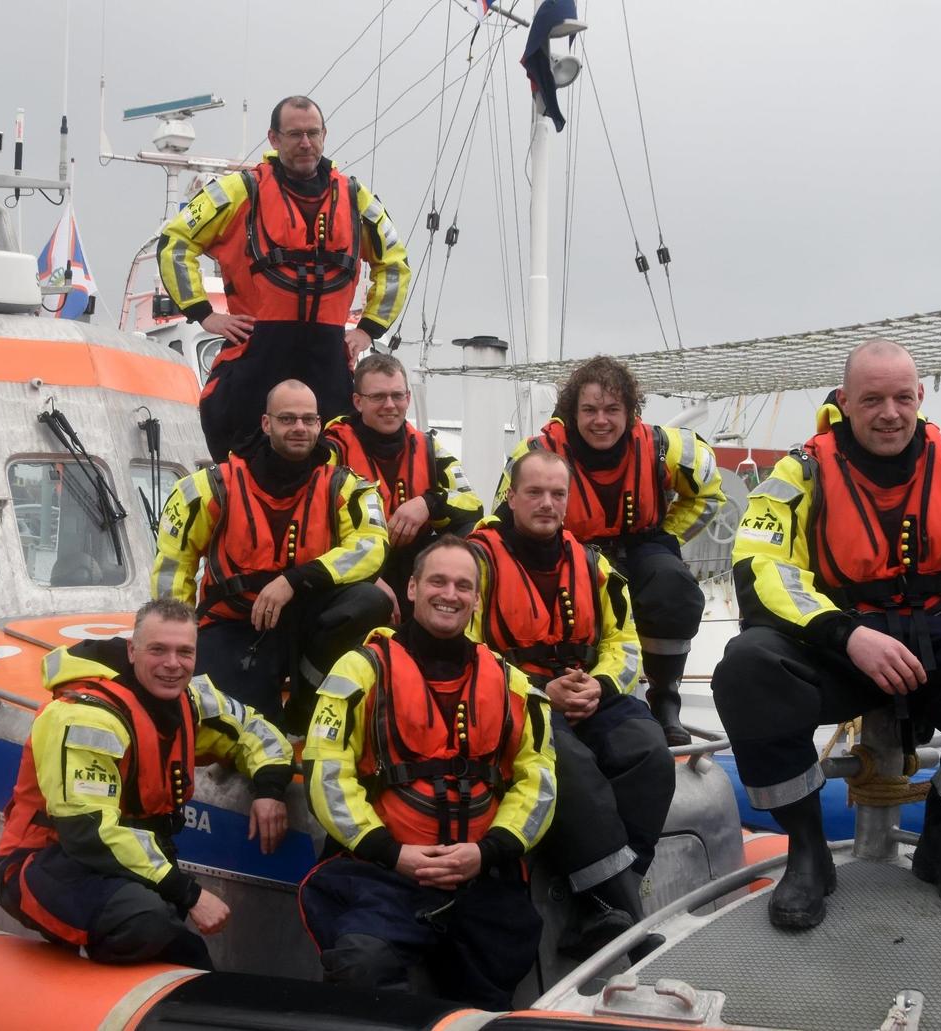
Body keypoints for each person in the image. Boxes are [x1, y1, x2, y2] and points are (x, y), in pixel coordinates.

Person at [712, 339, 941, 929]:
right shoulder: (801, 472)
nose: (889, 413)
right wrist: (845, 635)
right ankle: (808, 852)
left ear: (920, 397)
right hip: (843, 644)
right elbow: (758, 562)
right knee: (747, 665)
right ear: (845, 401)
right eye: (872, 399)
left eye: (902, 398)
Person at [299, 536, 556, 1010]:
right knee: (362, 962)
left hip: (481, 876)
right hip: (384, 874)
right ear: (412, 588)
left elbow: (538, 781)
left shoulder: (513, 684)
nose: (450, 594)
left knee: (496, 974)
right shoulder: (359, 671)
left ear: (477, 599)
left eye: (464, 585)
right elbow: (327, 773)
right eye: (437, 580)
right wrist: (393, 853)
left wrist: (488, 852)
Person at [0, 598, 293, 969]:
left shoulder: (190, 700)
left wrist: (269, 790)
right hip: (47, 862)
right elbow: (89, 833)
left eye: (185, 652)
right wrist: (190, 894)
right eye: (158, 650)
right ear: (132, 651)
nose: (172, 664)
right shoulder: (86, 717)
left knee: (176, 942)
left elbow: (255, 730)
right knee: (145, 920)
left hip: (127, 865)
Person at [470, 450, 674, 958]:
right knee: (571, 766)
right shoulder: (475, 562)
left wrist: (600, 687)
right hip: (513, 699)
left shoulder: (593, 565)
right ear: (511, 497)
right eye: (534, 493)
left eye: (557, 494)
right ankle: (632, 925)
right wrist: (541, 692)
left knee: (649, 752)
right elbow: (465, 650)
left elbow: (624, 642)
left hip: (588, 692)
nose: (546, 503)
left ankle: (599, 907)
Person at [157, 95, 411, 461]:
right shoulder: (240, 190)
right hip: (258, 352)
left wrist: (368, 329)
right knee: (241, 461)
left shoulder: (356, 198)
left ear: (324, 135)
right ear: (274, 139)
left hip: (327, 357)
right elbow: (176, 242)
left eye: (312, 133)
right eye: (294, 134)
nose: (305, 143)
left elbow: (395, 262)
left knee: (336, 463)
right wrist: (204, 313)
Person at [494, 355, 725, 746]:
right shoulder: (534, 454)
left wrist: (668, 536)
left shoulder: (664, 448)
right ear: (572, 412)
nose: (601, 420)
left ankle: (665, 701)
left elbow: (708, 494)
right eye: (589, 410)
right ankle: (565, 689)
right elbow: (504, 518)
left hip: (641, 544)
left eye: (612, 409)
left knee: (674, 588)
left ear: (630, 411)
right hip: (567, 553)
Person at [151, 379, 391, 732]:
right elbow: (174, 567)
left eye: (309, 420)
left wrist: (294, 580)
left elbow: (371, 546)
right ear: (266, 424)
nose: (300, 428)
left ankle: (307, 700)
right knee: (244, 729)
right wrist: (176, 641)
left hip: (308, 622)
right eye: (288, 419)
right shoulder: (211, 487)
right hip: (236, 624)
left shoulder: (345, 486)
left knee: (370, 600)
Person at [324, 352, 483, 621]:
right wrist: (366, 574)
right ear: (358, 402)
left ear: (408, 398)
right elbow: (313, 528)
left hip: (415, 566)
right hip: (354, 573)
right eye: (378, 397)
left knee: (477, 538)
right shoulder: (331, 451)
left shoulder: (428, 448)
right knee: (367, 601)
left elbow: (473, 505)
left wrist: (429, 503)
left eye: (397, 396)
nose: (390, 405)